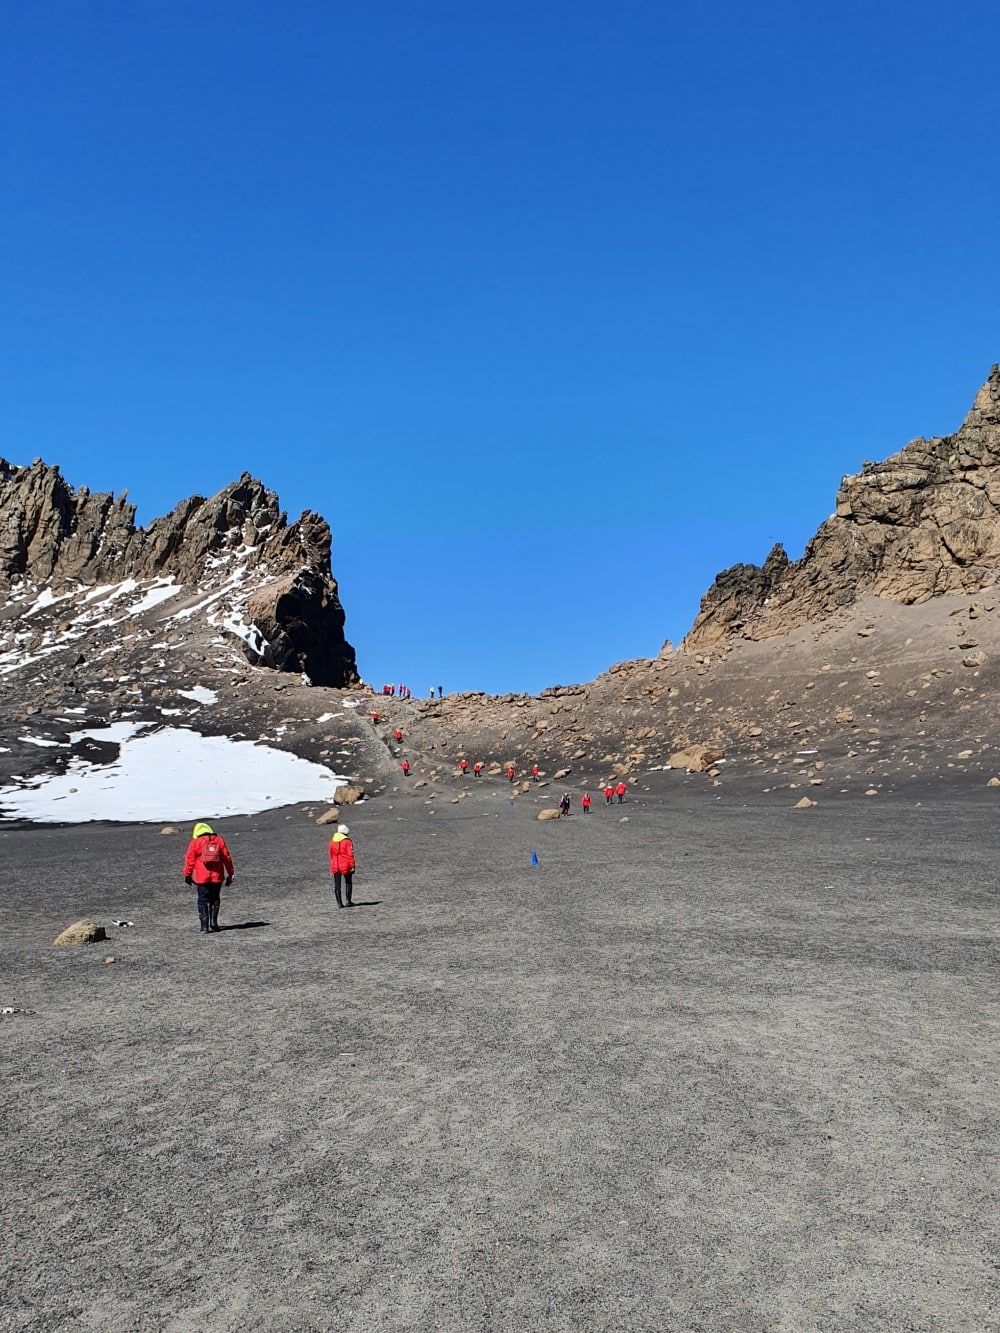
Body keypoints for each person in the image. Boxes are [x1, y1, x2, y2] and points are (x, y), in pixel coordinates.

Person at [183, 821, 235, 933]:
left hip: (202, 877)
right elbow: (227, 858)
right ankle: (214, 923)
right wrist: (231, 873)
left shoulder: (195, 843)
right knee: (215, 899)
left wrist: (187, 874)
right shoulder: (219, 840)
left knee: (202, 900)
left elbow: (190, 860)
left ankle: (204, 926)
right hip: (217, 876)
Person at [328, 824, 357, 908]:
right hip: (346, 864)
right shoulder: (347, 841)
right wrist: (352, 866)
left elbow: (330, 853)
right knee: (348, 882)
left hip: (335, 864)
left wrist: (333, 862)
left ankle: (339, 904)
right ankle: (348, 901)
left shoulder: (332, 841)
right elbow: (350, 854)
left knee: (337, 885)